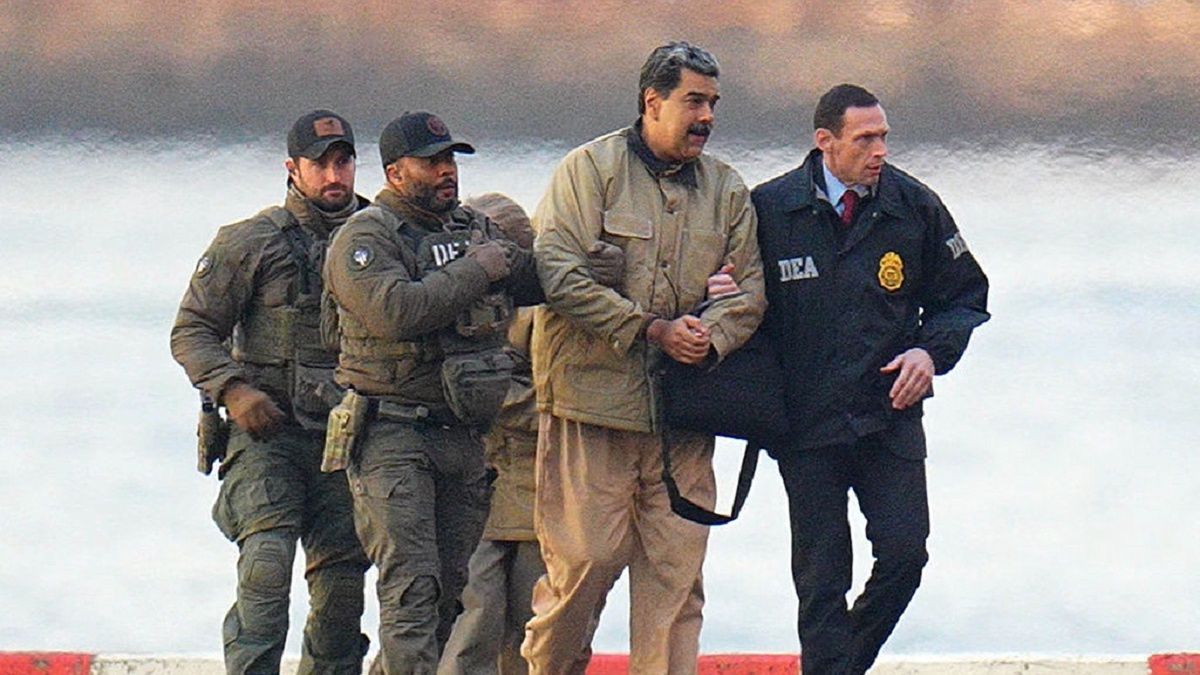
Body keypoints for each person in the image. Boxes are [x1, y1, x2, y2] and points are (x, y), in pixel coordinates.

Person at [523, 42, 766, 674]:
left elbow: (750, 294)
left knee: (675, 589)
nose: (706, 116)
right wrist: (651, 329)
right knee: (581, 573)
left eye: (713, 103)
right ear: (652, 102)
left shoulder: (726, 190)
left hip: (683, 421)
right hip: (591, 412)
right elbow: (558, 275)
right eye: (693, 101)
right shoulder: (588, 172)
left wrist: (707, 336)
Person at [752, 84, 990, 675]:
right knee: (822, 578)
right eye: (866, 139)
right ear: (825, 142)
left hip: (889, 414)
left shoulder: (914, 205)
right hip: (807, 425)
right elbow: (738, 308)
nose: (879, 150)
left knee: (906, 556)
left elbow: (965, 296)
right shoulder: (769, 209)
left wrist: (929, 354)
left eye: (884, 136)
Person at [170, 109, 371, 675]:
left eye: (344, 162)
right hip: (268, 438)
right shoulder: (250, 243)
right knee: (265, 571)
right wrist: (233, 390)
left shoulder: (379, 239)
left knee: (340, 596)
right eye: (321, 164)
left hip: (349, 444)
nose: (334, 176)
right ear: (293, 169)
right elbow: (192, 330)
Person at [438, 194, 621, 675]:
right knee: (472, 625)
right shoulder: (453, 300)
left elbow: (560, 389)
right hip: (477, 485)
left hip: (544, 488)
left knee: (534, 631)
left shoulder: (552, 307)